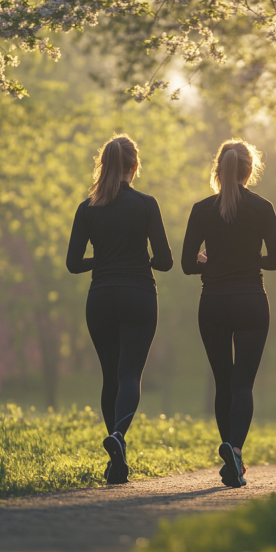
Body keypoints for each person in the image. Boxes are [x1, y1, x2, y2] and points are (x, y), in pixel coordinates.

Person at [66, 134, 172, 484]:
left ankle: (116, 462)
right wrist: (141, 258)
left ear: (105, 165)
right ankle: (119, 437)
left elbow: (73, 263)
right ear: (134, 165)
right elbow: (166, 261)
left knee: (110, 375)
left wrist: (105, 258)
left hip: (101, 297)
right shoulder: (146, 204)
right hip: (139, 293)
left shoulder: (88, 208)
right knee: (130, 375)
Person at [181, 139, 276, 488]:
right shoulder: (263, 207)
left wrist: (213, 262)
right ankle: (235, 452)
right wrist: (249, 261)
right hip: (252, 300)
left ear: (219, 169)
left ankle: (230, 453)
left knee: (222, 382)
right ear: (249, 170)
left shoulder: (201, 209)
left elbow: (185, 264)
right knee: (243, 384)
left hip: (213, 303)